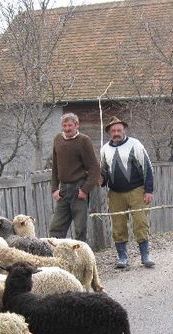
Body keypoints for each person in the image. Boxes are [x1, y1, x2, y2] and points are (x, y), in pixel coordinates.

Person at [100, 116, 155, 268]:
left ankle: (145, 255)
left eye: (119, 130)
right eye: (113, 130)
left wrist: (148, 190)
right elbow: (104, 172)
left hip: (137, 190)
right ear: (109, 132)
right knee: (118, 225)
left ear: (123, 130)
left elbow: (147, 167)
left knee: (140, 222)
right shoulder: (104, 149)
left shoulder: (135, 144)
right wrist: (100, 180)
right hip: (115, 193)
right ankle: (122, 257)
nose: (116, 133)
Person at [49, 112, 101, 242]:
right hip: (63, 190)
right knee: (56, 228)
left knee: (80, 229)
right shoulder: (58, 140)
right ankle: (57, 257)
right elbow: (55, 167)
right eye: (64, 125)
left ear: (76, 125)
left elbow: (94, 168)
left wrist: (85, 189)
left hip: (78, 188)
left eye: (70, 125)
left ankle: (82, 258)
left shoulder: (84, 141)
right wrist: (54, 189)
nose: (67, 128)